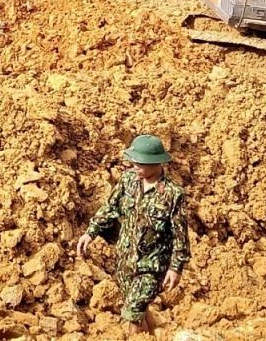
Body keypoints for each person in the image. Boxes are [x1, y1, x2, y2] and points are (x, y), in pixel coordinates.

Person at [74, 135, 191, 333]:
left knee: (132, 312)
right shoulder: (129, 180)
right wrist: (90, 233)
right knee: (139, 309)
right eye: (133, 161)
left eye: (141, 163)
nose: (135, 165)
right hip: (125, 261)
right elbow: (110, 208)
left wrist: (176, 268)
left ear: (156, 163)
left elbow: (180, 236)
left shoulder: (172, 194)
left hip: (152, 266)